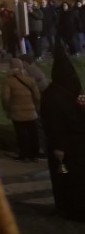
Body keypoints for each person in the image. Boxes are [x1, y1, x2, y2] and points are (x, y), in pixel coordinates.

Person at [40, 41, 85, 221]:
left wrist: (59, 146)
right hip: (79, 144)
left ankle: (68, 208)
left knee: (65, 179)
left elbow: (54, 124)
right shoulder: (75, 91)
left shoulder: (53, 94)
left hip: (64, 146)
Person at [1, 58, 42, 162]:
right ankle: (35, 154)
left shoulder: (8, 81)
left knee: (21, 134)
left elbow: (6, 97)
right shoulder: (30, 79)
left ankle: (24, 155)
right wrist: (36, 107)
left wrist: (7, 108)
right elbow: (37, 96)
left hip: (17, 112)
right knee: (33, 133)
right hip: (31, 111)